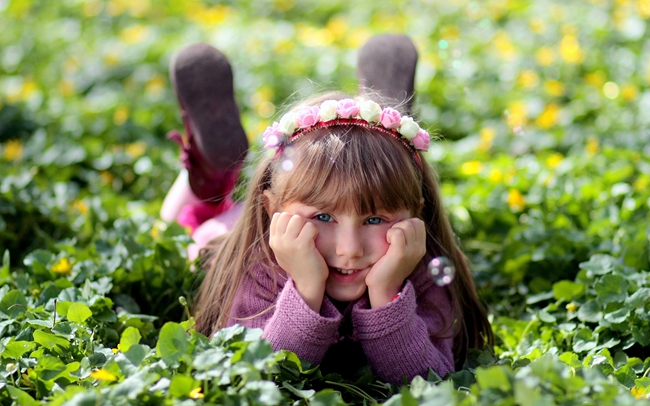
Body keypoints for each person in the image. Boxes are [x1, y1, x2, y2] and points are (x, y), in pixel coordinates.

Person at [160, 35, 492, 384]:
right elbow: (258, 378)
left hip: (317, 191)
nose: (349, 248)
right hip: (225, 227)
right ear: (273, 209)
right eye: (323, 217)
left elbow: (429, 380)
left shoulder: (417, 264)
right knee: (187, 227)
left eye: (375, 219)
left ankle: (378, 129)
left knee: (366, 171)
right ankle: (208, 176)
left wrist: (386, 295)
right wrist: (305, 288)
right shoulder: (258, 263)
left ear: (414, 217)